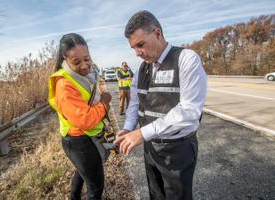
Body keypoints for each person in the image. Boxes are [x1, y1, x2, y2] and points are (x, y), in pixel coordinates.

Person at [114, 10, 207, 200]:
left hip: (177, 150)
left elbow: (189, 110)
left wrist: (142, 133)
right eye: (133, 48)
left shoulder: (186, 59)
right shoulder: (141, 69)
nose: (137, 53)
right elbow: (135, 103)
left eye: (140, 45)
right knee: (156, 195)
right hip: (150, 148)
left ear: (157, 33)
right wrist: (128, 128)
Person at [48, 33, 111, 200]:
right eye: (76, 62)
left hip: (87, 138)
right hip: (79, 142)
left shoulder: (88, 74)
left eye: (87, 59)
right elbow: (85, 120)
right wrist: (104, 105)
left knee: (82, 172)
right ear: (65, 60)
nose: (84, 66)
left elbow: (94, 92)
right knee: (96, 187)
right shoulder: (65, 84)